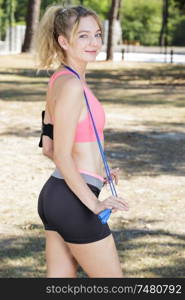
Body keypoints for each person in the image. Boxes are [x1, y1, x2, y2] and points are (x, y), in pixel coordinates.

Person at [35, 4, 129, 278]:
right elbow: (61, 154)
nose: (94, 42)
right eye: (83, 36)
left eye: (97, 34)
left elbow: (48, 146)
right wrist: (95, 203)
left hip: (57, 196)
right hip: (74, 201)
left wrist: (98, 173)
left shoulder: (60, 80)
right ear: (63, 41)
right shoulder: (73, 86)